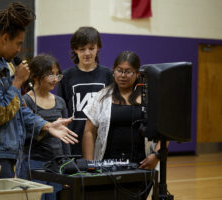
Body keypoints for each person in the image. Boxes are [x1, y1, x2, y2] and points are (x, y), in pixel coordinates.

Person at [0, 2, 78, 179]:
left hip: (7, 152)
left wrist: (47, 125)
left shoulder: (4, 63)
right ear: (5, 38)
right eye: (18, 43)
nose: (19, 50)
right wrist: (17, 82)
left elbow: (19, 108)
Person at [82, 51, 160, 199]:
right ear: (114, 71)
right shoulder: (101, 96)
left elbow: (164, 132)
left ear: (137, 73)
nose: (123, 75)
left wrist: (156, 156)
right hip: (106, 167)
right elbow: (89, 132)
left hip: (142, 166)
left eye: (128, 71)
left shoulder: (149, 97)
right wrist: (89, 165)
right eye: (119, 70)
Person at [17, 54, 68, 200]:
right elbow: (23, 135)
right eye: (50, 74)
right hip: (33, 163)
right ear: (36, 75)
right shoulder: (26, 101)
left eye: (57, 74)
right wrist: (47, 129)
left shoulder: (60, 102)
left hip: (56, 165)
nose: (55, 79)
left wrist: (66, 168)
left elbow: (65, 138)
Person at [57, 26, 113, 155]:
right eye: (82, 49)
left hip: (101, 140)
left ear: (98, 47)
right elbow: (60, 110)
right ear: (75, 49)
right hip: (74, 140)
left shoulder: (108, 75)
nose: (87, 53)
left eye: (91, 48)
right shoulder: (66, 76)